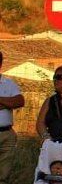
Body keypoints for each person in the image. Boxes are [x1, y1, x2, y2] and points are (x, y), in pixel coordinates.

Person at [0, 51, 24, 184]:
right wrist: (7, 102)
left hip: (6, 134)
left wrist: (1, 101)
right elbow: (12, 102)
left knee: (4, 175)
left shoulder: (8, 83)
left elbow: (20, 101)